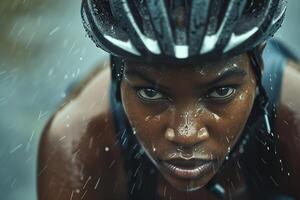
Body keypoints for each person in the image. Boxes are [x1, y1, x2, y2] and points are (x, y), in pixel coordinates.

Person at [37, 0, 300, 199]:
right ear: (118, 73)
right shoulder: (80, 140)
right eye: (150, 93)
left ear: (259, 66)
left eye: (221, 92)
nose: (186, 134)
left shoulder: (294, 118)